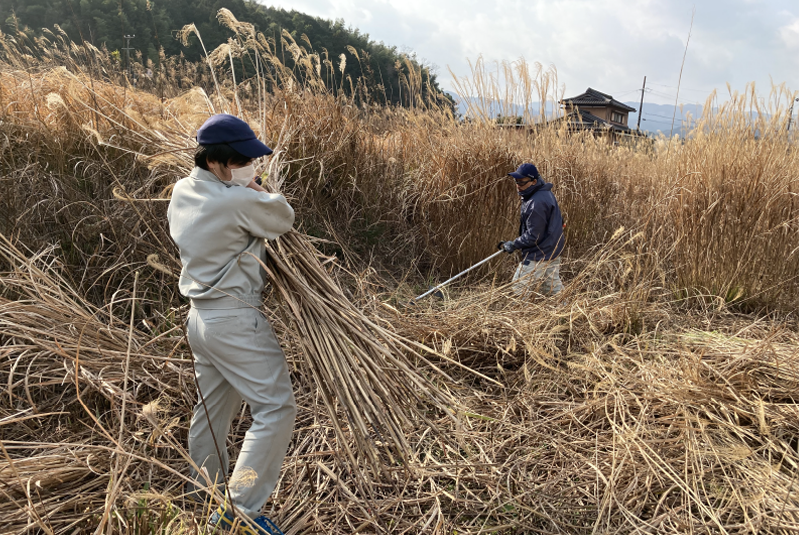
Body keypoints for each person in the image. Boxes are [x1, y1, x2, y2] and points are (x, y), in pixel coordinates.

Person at [167, 114, 296, 535]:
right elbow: (282, 217)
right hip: (235, 320)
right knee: (276, 409)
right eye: (244, 162)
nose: (250, 168)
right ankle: (240, 509)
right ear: (220, 163)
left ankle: (202, 498)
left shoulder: (183, 191)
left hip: (200, 322)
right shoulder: (234, 200)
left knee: (211, 415)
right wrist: (257, 189)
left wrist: (244, 185)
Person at [498, 163, 565, 297]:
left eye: (522, 182)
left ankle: (519, 316)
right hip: (552, 250)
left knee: (518, 290)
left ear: (534, 181)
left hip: (538, 254)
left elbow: (534, 235)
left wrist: (513, 244)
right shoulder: (544, 194)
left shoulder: (536, 202)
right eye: (516, 182)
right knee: (552, 288)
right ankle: (568, 313)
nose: (518, 185)